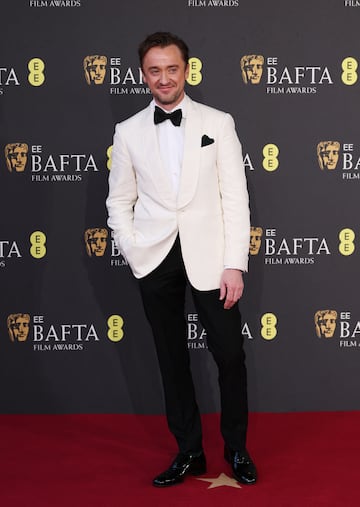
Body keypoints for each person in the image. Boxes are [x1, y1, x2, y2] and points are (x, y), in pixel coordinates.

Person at [106, 32, 256, 487]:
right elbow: (119, 202)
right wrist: (135, 253)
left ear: (186, 71)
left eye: (172, 69)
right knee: (171, 360)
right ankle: (189, 451)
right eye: (155, 70)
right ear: (143, 75)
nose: (164, 78)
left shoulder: (219, 122)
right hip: (155, 260)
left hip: (212, 258)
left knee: (230, 354)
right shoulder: (128, 132)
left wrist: (235, 262)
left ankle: (236, 448)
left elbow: (235, 197)